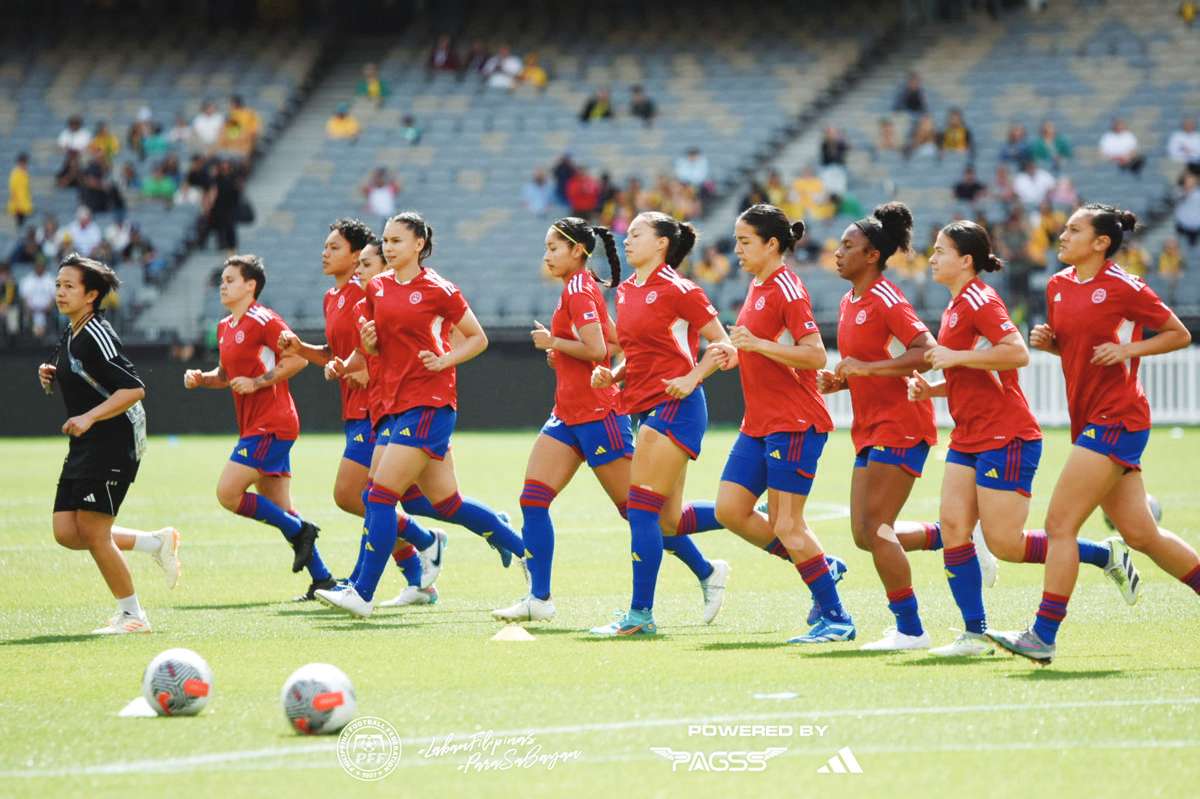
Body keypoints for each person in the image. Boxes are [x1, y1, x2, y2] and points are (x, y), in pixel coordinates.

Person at [908, 221, 1135, 657]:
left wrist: (953, 356)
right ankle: (974, 634)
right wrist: (934, 389)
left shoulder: (980, 298)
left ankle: (1102, 555)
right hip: (969, 435)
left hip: (1006, 435)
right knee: (954, 527)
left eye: (940, 250)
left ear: (966, 260)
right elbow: (976, 372)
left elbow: (1017, 353)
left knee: (1005, 544)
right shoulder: (956, 304)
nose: (932, 257)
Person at [988, 205, 1199, 663]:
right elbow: (1079, 350)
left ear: (1101, 242)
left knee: (1059, 526)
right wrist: (1053, 344)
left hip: (1118, 417)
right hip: (1091, 420)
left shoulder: (1125, 286)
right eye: (1063, 228)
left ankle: (1042, 635)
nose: (1061, 235)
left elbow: (1177, 334)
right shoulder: (1058, 286)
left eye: (1073, 230)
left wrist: (1130, 347)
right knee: (1142, 534)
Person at [494, 218, 727, 623]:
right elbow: (618, 344)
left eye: (553, 247)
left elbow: (597, 346)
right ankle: (539, 598)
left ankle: (707, 566)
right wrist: (567, 353)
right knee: (533, 499)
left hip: (600, 415)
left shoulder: (583, 289)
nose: (546, 255)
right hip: (568, 413)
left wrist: (555, 343)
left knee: (643, 513)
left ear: (577, 251)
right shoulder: (594, 289)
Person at [314, 212, 527, 617]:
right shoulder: (376, 288)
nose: (389, 247)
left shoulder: (438, 289)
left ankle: (361, 593)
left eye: (397, 241)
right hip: (393, 406)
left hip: (429, 403)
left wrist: (445, 358)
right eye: (386, 241)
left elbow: (478, 338)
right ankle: (519, 547)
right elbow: (375, 351)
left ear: (418, 245)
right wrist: (366, 346)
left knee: (377, 494)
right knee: (445, 503)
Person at [709, 205, 855, 644]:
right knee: (729, 510)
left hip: (793, 421)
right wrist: (742, 353)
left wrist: (758, 343)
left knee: (789, 525)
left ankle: (836, 617)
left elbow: (815, 355)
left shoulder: (788, 288)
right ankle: (820, 567)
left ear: (772, 244)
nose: (736, 249)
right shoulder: (758, 285)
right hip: (760, 422)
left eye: (744, 241)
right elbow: (769, 350)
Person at [278, 220, 444, 603]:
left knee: (361, 496)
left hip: (377, 409)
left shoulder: (364, 294)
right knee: (372, 498)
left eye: (335, 247)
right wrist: (299, 347)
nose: (325, 253)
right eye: (325, 246)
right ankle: (418, 575)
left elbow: (374, 355)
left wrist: (360, 370)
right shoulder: (330, 298)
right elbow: (335, 355)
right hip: (354, 409)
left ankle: (412, 551)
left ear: (356, 257)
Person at [587, 212, 736, 637]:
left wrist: (691, 378)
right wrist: (613, 375)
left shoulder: (681, 290)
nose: (626, 240)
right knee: (670, 521)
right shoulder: (629, 291)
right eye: (627, 234)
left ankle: (640, 616)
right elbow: (637, 355)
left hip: (679, 407)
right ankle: (743, 515)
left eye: (636, 234)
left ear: (662, 244)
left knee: (640, 511)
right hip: (642, 406)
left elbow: (724, 347)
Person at [816, 203, 941, 651]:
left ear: (872, 255)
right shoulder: (851, 301)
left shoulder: (887, 298)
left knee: (878, 529)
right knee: (862, 534)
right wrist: (843, 383)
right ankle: (956, 537)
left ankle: (911, 629)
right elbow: (873, 368)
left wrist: (866, 371)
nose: (838, 251)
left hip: (902, 424)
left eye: (849, 245)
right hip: (870, 427)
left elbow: (927, 351)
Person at [38, 254, 180, 634]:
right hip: (88, 442)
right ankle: (154, 543)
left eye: (69, 286)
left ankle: (134, 617)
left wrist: (88, 417)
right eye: (58, 285)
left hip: (113, 442)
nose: (61, 292)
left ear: (92, 295)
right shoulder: (73, 331)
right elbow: (88, 376)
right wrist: (53, 375)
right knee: (67, 532)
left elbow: (135, 388)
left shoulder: (96, 333)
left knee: (95, 532)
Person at [183, 254, 334, 599]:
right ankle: (323, 580)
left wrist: (259, 382)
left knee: (228, 493)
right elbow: (225, 376)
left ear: (251, 285)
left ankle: (301, 530)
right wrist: (201, 379)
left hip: (272, 422)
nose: (223, 284)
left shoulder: (264, 319)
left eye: (231, 279)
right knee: (280, 508)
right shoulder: (225, 327)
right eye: (222, 279)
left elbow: (296, 358)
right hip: (255, 424)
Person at [20, 257, 56, 338]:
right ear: (34, 266)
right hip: (31, 311)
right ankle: (30, 338)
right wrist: (29, 308)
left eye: (41, 265)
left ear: (44, 266)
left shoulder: (50, 279)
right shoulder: (27, 280)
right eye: (37, 265)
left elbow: (54, 298)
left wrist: (49, 307)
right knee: (26, 315)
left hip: (47, 310)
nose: (39, 267)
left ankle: (47, 338)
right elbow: (24, 298)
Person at [8, 153, 32, 228]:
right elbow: (13, 191)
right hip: (19, 208)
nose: (25, 164)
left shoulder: (25, 173)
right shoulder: (16, 174)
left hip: (25, 207)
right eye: (23, 162)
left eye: (26, 162)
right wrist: (17, 207)